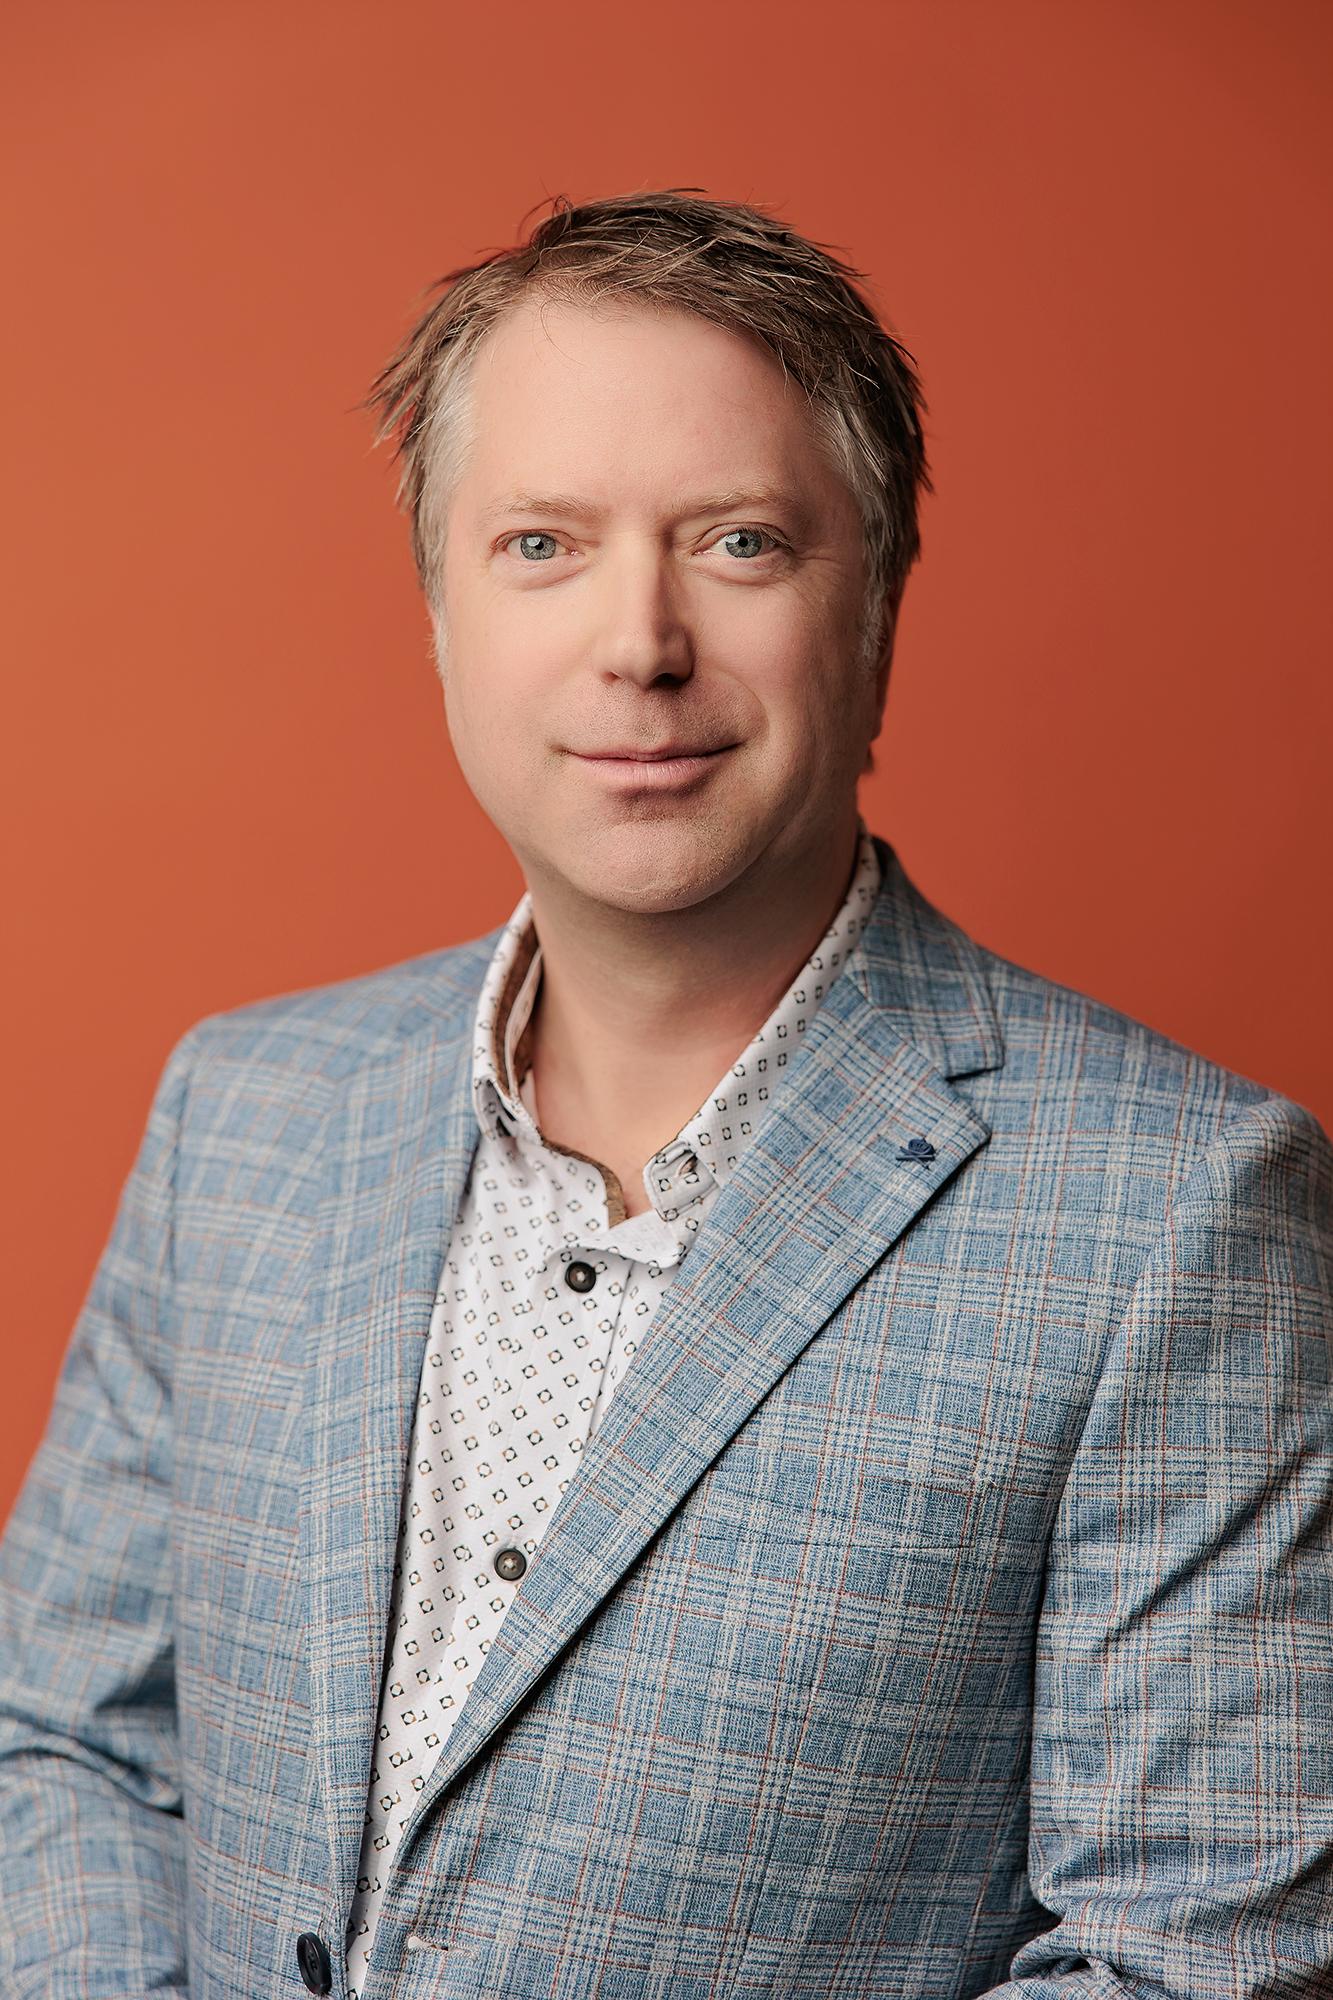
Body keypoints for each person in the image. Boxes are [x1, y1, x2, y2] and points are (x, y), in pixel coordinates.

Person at [1, 188, 1329, 2000]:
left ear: (877, 603)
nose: (639, 641)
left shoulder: (1181, 1210)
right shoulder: (242, 1114)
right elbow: (65, 1744)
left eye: (739, 542)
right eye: (541, 544)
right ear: (440, 616)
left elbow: (1189, 1962)